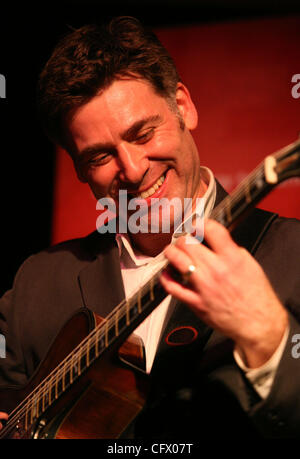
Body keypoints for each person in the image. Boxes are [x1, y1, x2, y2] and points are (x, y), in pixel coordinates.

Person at [0, 16, 299, 439]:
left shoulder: (295, 254)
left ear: (183, 107)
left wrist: (269, 336)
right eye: (101, 157)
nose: (134, 169)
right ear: (80, 171)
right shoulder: (37, 283)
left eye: (143, 133)